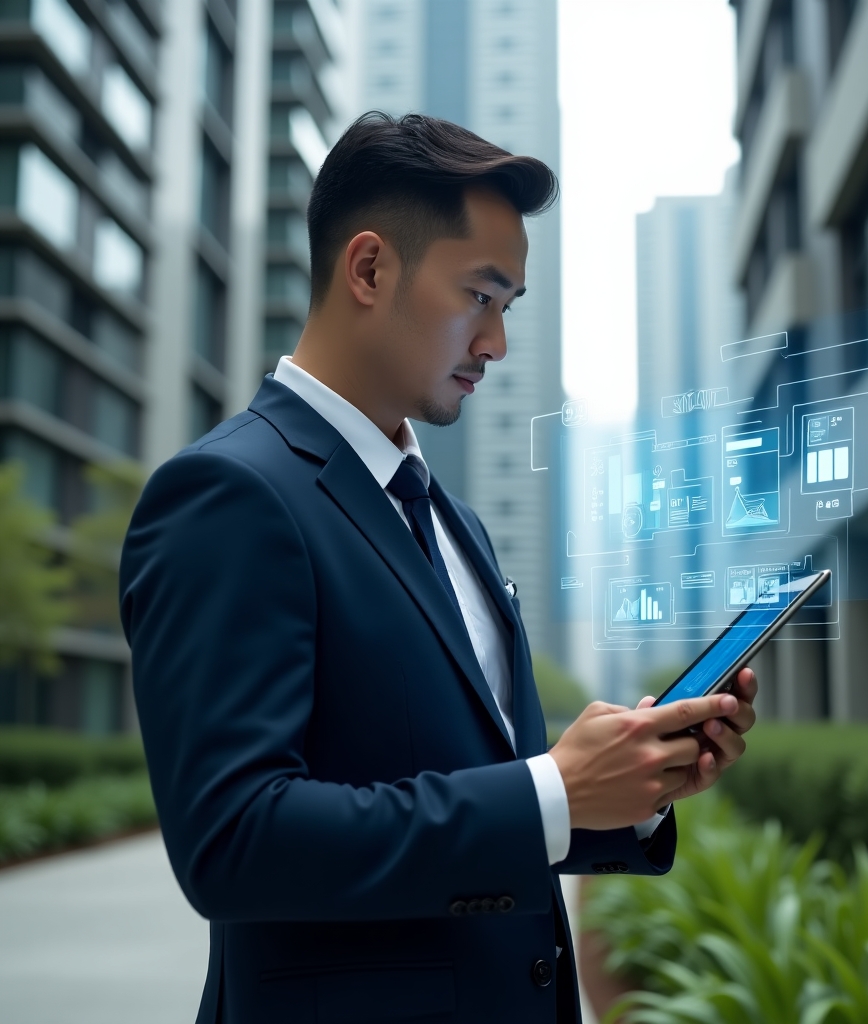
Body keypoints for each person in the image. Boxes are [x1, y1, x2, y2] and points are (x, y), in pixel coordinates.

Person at [119, 112, 757, 1024]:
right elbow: (234, 840)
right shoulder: (228, 494)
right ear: (370, 269)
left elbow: (484, 794)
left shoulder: (454, 525)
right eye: (481, 297)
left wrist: (631, 788)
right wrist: (552, 789)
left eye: (509, 308)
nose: (496, 344)